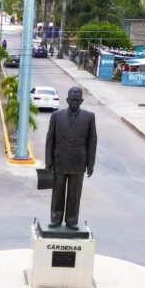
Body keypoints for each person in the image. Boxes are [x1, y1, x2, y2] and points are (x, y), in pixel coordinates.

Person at [44, 87, 97, 230]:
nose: (74, 102)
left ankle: (72, 221)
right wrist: (48, 161)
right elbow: (50, 139)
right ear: (67, 100)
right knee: (58, 194)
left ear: (81, 101)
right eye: (72, 100)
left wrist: (90, 164)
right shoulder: (56, 116)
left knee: (74, 195)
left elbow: (92, 141)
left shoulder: (89, 117)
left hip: (78, 163)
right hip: (59, 161)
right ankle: (55, 219)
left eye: (77, 100)